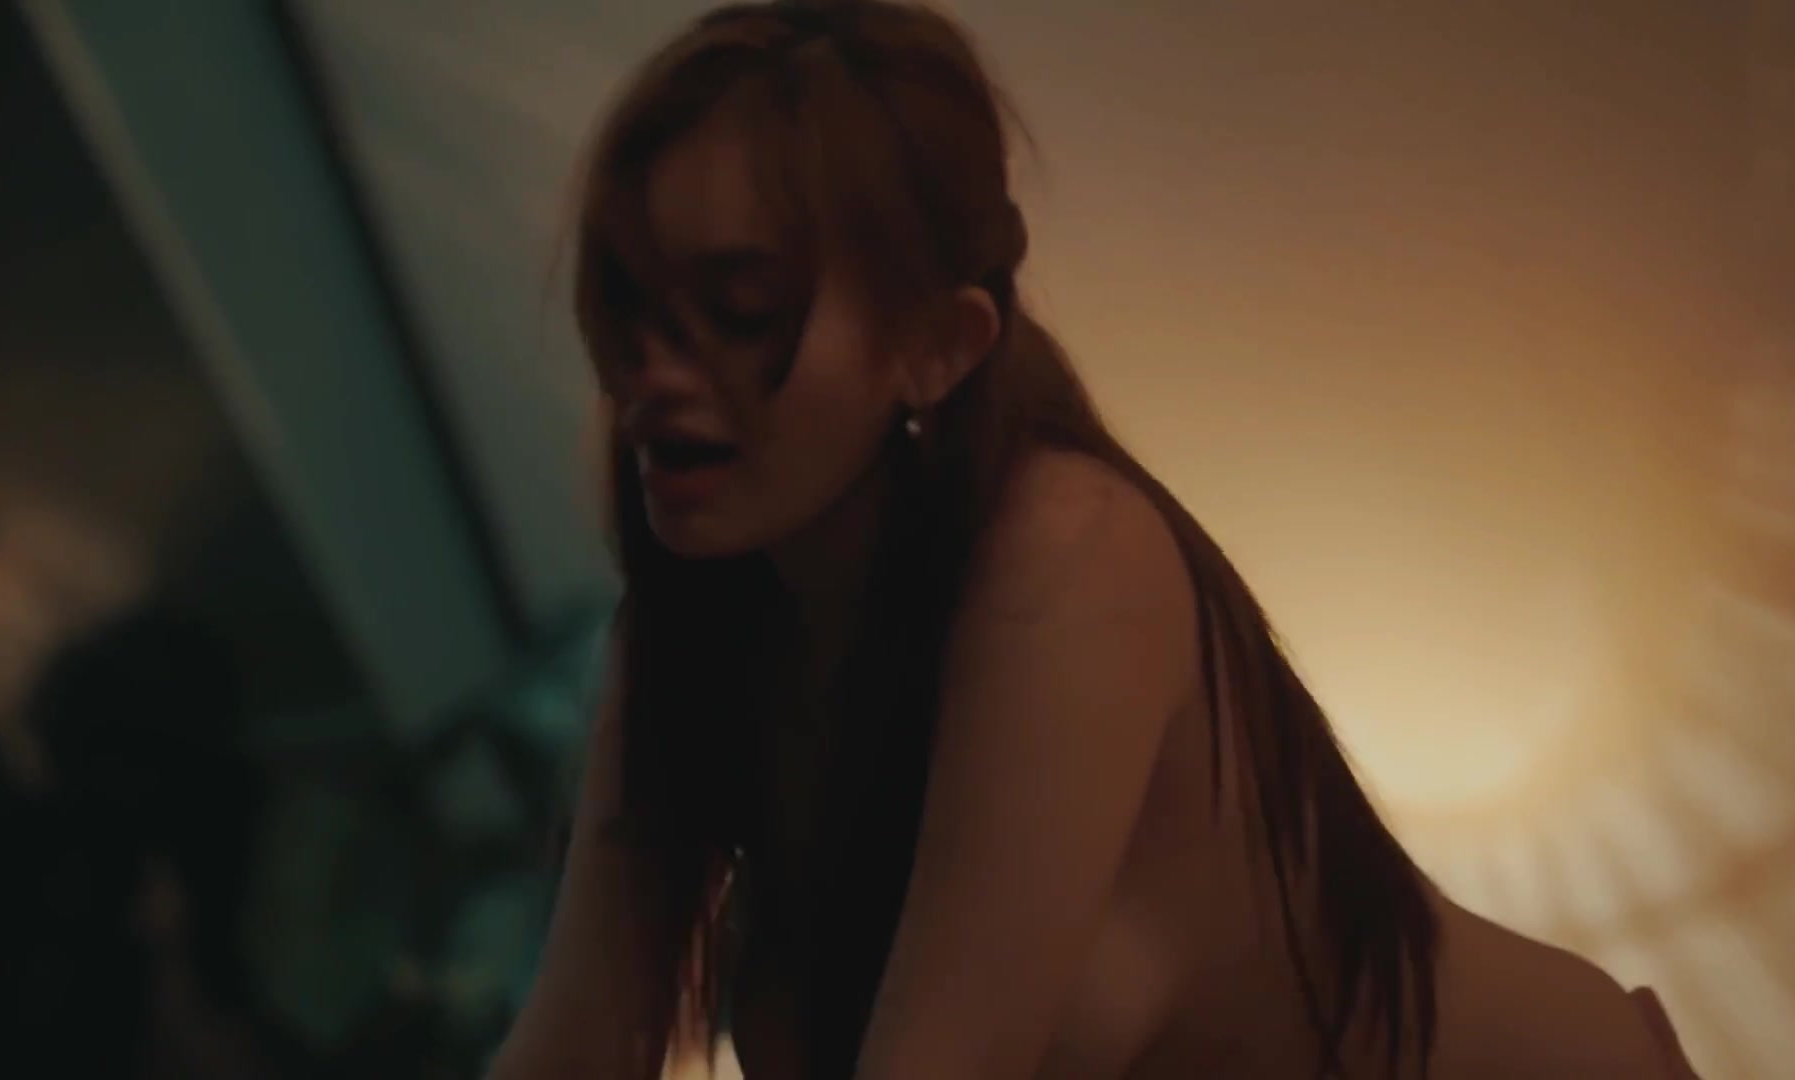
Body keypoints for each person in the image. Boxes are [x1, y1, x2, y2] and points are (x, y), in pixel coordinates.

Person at [492, 2, 1701, 1077]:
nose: (654, 371)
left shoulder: (1066, 565)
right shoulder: (695, 633)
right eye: (630, 300)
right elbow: (576, 1047)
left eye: (740, 311)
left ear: (937, 346)